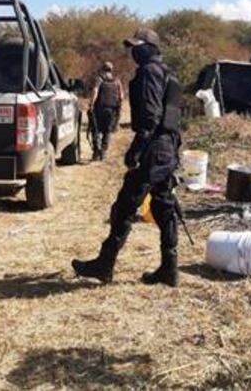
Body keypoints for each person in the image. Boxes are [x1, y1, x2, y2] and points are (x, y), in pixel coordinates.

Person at [72, 28, 183, 287]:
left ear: (151, 48)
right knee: (164, 206)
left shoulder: (148, 72)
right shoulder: (168, 73)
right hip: (168, 148)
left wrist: (135, 151)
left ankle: (104, 264)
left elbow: (150, 118)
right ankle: (170, 268)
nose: (133, 51)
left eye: (138, 46)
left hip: (153, 149)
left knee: (125, 207)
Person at [89, 61, 124, 161]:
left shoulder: (99, 79)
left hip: (99, 108)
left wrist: (91, 104)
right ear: (111, 69)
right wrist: (119, 109)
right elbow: (121, 96)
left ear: (102, 68)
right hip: (112, 109)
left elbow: (95, 91)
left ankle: (96, 151)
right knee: (107, 131)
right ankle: (103, 152)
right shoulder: (117, 81)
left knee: (95, 130)